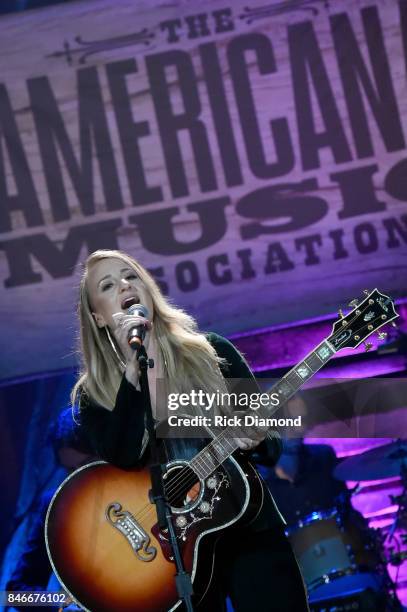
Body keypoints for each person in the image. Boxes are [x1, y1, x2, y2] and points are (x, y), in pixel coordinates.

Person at [73, 248, 309, 612]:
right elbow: (123, 455)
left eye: (131, 276)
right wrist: (131, 378)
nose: (124, 285)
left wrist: (259, 439)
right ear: (98, 318)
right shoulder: (93, 396)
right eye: (107, 285)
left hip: (247, 527)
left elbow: (271, 449)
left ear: (148, 289)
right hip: (170, 559)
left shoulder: (213, 353)